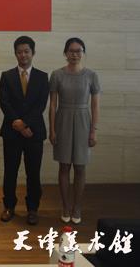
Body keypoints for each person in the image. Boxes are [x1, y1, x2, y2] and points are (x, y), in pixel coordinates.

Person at [49, 37, 100, 225]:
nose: (75, 54)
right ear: (65, 53)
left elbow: (95, 106)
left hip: (83, 120)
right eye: (71, 51)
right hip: (62, 119)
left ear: (83, 53)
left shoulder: (91, 75)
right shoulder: (57, 75)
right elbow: (52, 105)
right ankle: (65, 206)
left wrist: (94, 130)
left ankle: (77, 207)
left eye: (78, 51)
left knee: (80, 166)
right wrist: (52, 130)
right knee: (64, 166)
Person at [0, 36, 49, 225]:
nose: (23, 55)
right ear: (15, 54)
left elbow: (40, 105)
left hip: (34, 133)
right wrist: (18, 124)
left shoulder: (42, 77)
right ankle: (9, 206)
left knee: (33, 173)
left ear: (33, 53)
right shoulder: (7, 76)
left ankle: (33, 209)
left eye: (26, 51)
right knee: (10, 171)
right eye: (19, 52)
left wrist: (26, 124)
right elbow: (4, 103)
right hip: (11, 131)